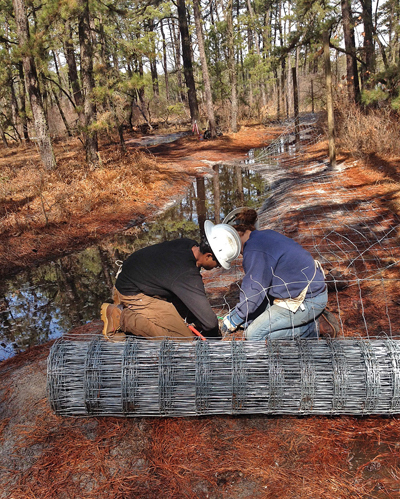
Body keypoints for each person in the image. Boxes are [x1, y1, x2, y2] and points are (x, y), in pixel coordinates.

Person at [101, 223, 241, 341]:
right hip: (132, 292)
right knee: (183, 339)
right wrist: (213, 338)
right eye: (218, 263)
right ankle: (121, 318)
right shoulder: (186, 273)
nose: (218, 267)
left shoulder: (188, 244)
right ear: (208, 255)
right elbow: (210, 323)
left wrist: (196, 319)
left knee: (182, 318)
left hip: (135, 278)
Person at [221, 208, 327, 340]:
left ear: (235, 234)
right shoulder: (263, 236)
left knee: (254, 335)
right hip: (304, 291)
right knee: (254, 321)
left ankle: (309, 329)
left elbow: (253, 291)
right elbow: (260, 289)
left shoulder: (255, 249)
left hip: (307, 300)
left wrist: (235, 318)